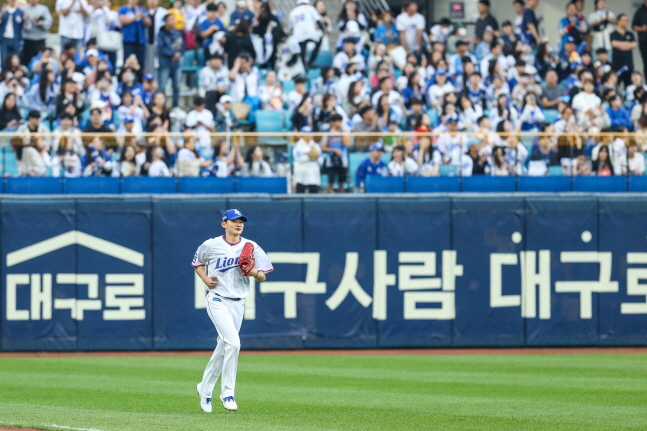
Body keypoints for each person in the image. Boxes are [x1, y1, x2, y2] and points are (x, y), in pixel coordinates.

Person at [194, 209, 273, 413]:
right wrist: (204, 279)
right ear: (224, 224)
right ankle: (227, 393)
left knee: (224, 346)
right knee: (234, 344)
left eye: (241, 221)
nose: (238, 224)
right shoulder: (211, 244)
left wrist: (253, 271)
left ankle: (204, 387)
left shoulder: (250, 246)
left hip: (238, 303)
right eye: (234, 221)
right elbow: (198, 263)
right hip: (218, 299)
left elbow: (263, 275)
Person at [157, 13, 184, 108]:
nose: (173, 21)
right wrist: (172, 54)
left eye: (174, 19)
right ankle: (161, 106)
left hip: (176, 64)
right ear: (166, 22)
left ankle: (175, 106)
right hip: (165, 63)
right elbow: (161, 48)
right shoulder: (161, 33)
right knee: (162, 87)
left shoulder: (177, 33)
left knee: (176, 87)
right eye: (171, 19)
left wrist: (179, 54)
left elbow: (182, 46)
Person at [289, 0, 323, 69]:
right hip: (310, 34)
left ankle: (304, 67)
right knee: (319, 40)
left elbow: (291, 28)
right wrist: (322, 30)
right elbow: (318, 20)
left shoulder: (293, 12)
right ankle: (310, 62)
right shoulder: (310, 8)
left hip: (298, 36)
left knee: (302, 53)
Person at [118, 0, 152, 70]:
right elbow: (122, 21)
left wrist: (143, 17)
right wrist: (135, 16)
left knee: (141, 63)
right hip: (128, 40)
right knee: (127, 62)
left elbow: (149, 23)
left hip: (140, 41)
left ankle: (139, 79)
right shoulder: (123, 9)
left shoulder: (142, 9)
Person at [292, 126, 321, 193]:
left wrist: (315, 157)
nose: (309, 136)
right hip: (301, 173)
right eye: (306, 135)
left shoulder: (315, 146)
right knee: (300, 193)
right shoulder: (298, 145)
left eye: (310, 134)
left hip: (313, 173)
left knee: (314, 194)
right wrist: (309, 155)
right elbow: (299, 158)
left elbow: (320, 160)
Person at [611, 14, 636, 89]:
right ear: (618, 21)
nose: (626, 22)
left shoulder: (630, 34)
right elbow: (614, 44)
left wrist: (620, 45)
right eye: (624, 20)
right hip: (617, 64)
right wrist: (627, 44)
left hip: (628, 63)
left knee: (629, 85)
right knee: (615, 84)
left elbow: (634, 45)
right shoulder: (613, 34)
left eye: (627, 20)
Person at [145, 0, 167, 78]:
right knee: (149, 65)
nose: (152, 1)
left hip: (160, 44)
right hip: (147, 43)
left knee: (162, 65)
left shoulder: (164, 12)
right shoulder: (143, 12)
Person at [633, 0, 647, 78]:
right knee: (646, 63)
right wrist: (643, 28)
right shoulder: (640, 11)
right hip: (644, 41)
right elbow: (634, 26)